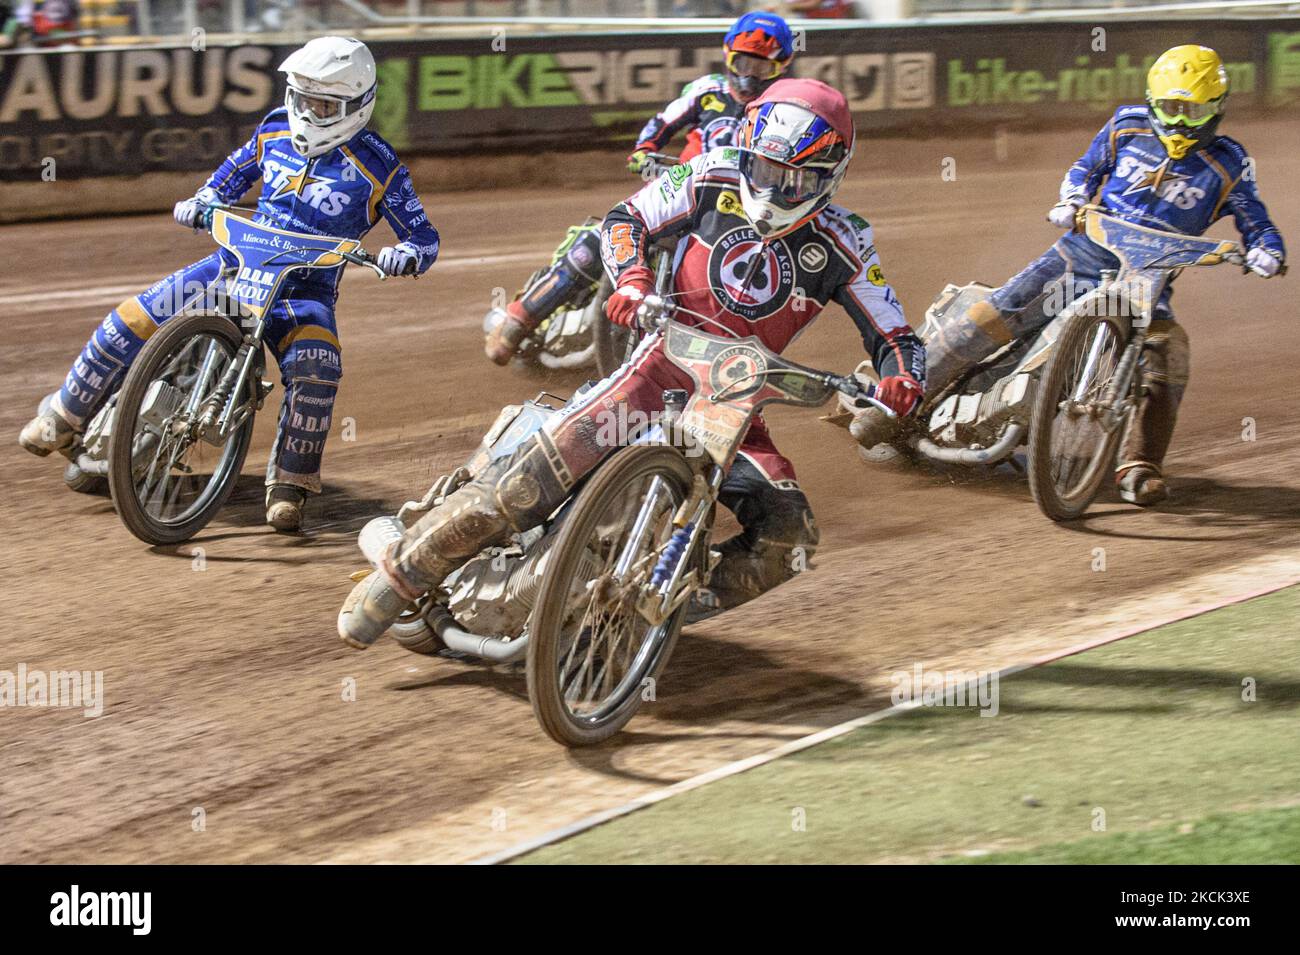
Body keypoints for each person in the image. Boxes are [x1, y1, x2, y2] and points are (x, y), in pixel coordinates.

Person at [339, 78, 925, 648]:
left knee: (789, 538)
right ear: (748, 151)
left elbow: (894, 330)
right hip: (660, 368)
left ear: (830, 175)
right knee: (525, 485)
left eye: (793, 177)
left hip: (738, 404)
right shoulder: (708, 174)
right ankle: (400, 579)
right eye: (765, 168)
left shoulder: (847, 242)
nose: (773, 186)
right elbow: (625, 220)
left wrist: (903, 379)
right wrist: (633, 278)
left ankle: (661, 601)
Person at [19, 36, 440, 532]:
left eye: (324, 103)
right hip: (231, 266)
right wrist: (205, 198)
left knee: (317, 369)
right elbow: (231, 174)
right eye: (304, 98)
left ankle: (290, 484)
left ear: (357, 104)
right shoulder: (274, 129)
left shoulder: (381, 167)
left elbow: (424, 235)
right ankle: (64, 415)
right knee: (130, 318)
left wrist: (405, 254)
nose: (309, 111)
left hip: (302, 294)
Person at [863, 44, 1286, 506]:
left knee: (1169, 355)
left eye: (1195, 110)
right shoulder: (1126, 125)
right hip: (1082, 252)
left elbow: (1256, 219)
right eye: (1171, 108)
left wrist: (1267, 250)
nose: (1182, 122)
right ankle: (895, 407)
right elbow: (1086, 169)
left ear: (1217, 109)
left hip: (1150, 280)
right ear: (1152, 101)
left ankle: (1139, 465)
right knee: (999, 311)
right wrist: (1072, 199)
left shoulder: (1228, 162)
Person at [482, 11, 796, 366]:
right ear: (727, 56)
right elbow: (662, 123)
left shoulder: (785, 110)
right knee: (599, 238)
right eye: (743, 63)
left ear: (782, 67)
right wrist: (645, 150)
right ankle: (518, 320)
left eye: (762, 70)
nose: (749, 77)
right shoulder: (707, 90)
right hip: (680, 192)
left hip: (735, 216)